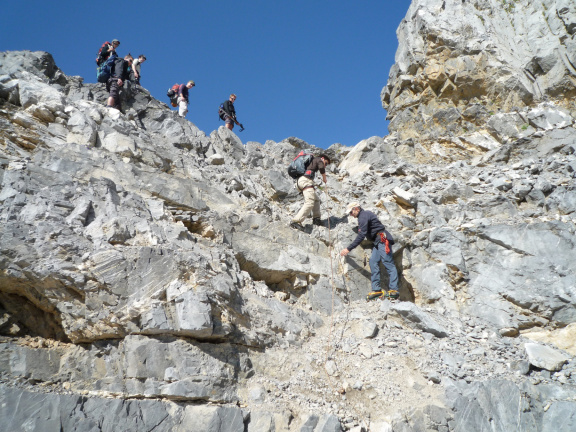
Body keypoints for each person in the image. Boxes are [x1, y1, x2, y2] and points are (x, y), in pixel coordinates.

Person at [340, 202, 400, 300]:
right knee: (373, 262)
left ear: (356, 209)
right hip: (377, 241)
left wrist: (348, 248)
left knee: (388, 262)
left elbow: (361, 235)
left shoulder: (363, 216)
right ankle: (377, 290)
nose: (351, 215)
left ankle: (394, 290)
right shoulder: (363, 216)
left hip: (383, 239)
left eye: (351, 212)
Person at [290, 154, 331, 228]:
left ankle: (316, 219)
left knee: (316, 200)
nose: (325, 166)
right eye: (326, 163)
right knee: (310, 202)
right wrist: (324, 178)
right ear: (323, 158)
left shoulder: (312, 163)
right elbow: (321, 168)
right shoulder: (318, 159)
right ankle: (296, 221)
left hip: (301, 182)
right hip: (306, 181)